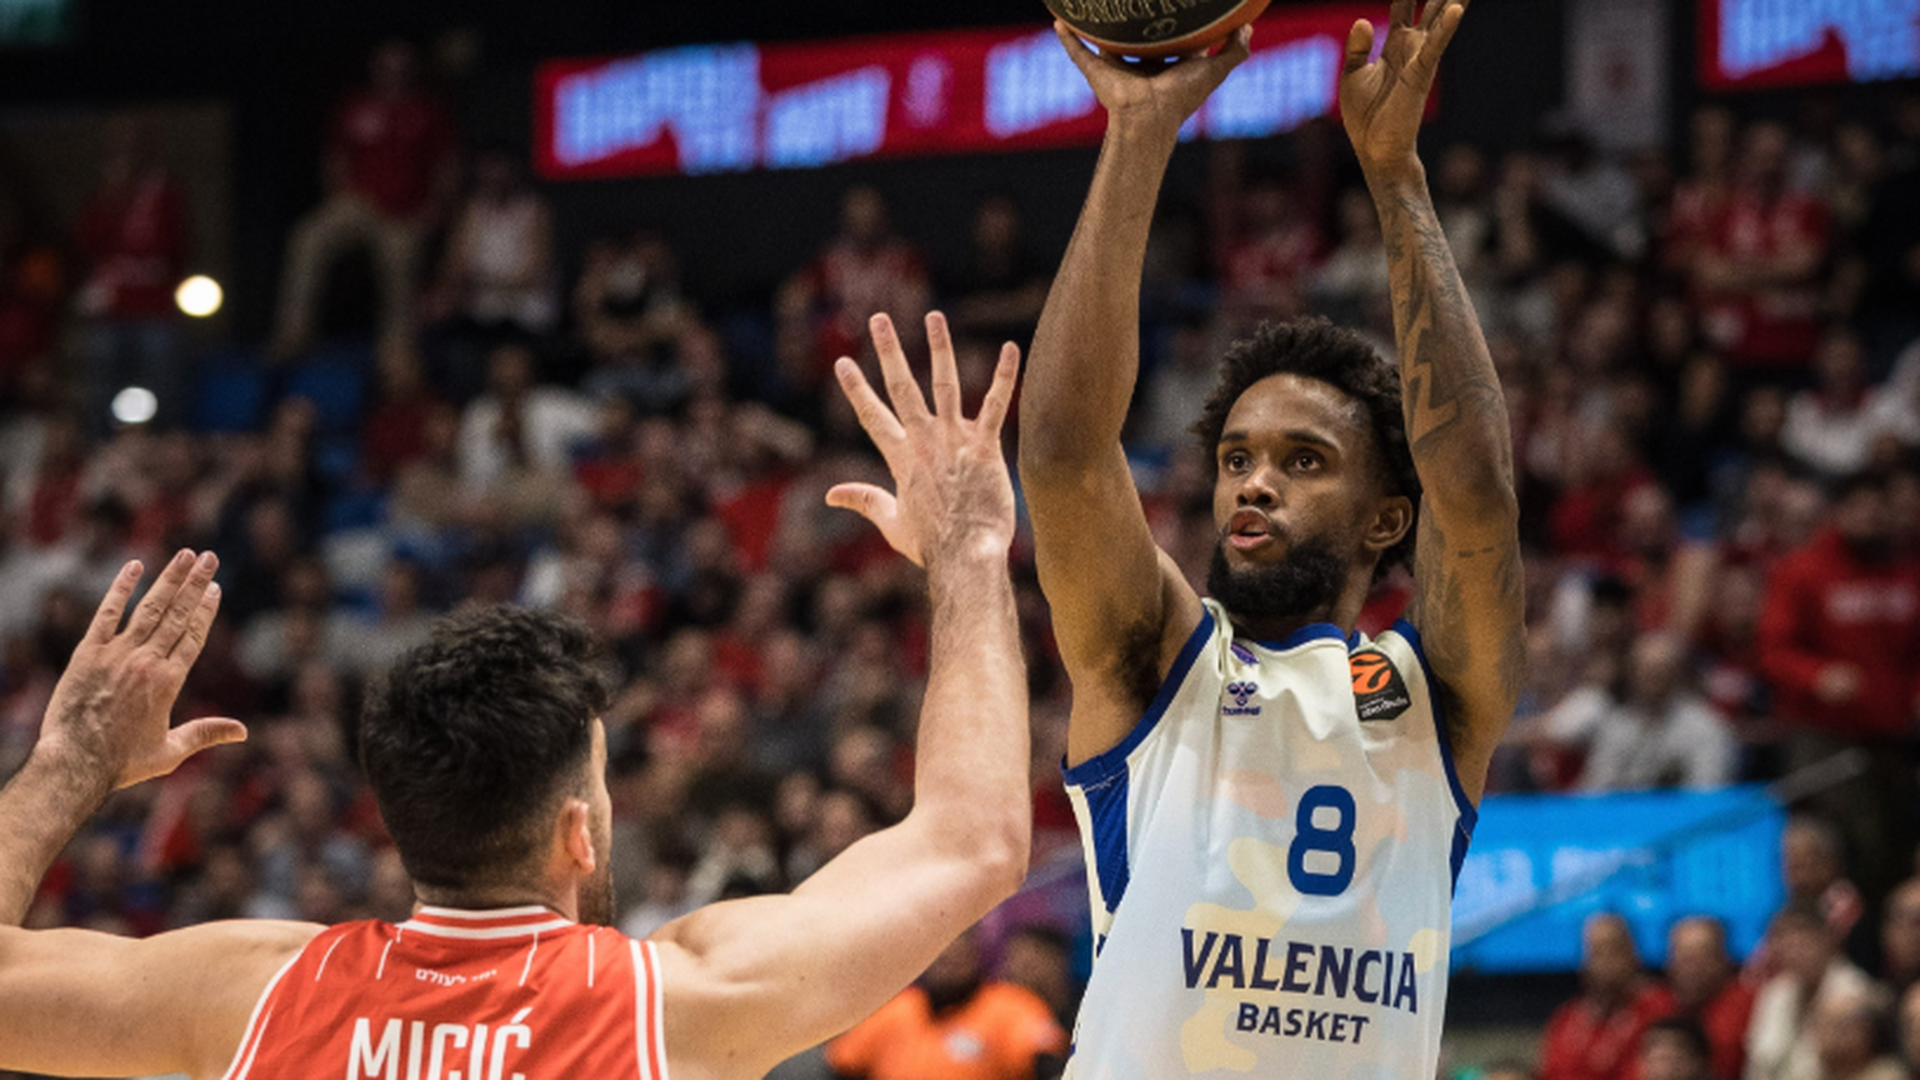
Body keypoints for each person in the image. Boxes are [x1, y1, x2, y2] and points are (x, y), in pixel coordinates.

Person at [0, 311, 1040, 1080]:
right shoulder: (673, 1004)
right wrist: (969, 549)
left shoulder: (252, 990)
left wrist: (68, 766)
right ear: (578, 833)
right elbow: (974, 841)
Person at [1020, 3, 1522, 1076]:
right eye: (1237, 457)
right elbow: (1064, 450)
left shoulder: (1439, 701)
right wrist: (1139, 133)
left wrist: (1395, 179)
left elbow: (1474, 490)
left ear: (1390, 516)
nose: (1251, 485)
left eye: (1304, 461)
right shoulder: (1159, 658)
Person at [824, 928, 1068, 1080]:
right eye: (942, 959)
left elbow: (1050, 1065)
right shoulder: (900, 1007)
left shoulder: (1011, 1006)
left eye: (958, 957)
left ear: (974, 956)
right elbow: (842, 1063)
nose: (949, 962)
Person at [1541, 913, 1675, 1080]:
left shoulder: (1661, 1008)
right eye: (1596, 952)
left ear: (1635, 954)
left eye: (1614, 949)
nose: (1607, 961)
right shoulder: (1566, 1019)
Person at [1664, 916, 1759, 1080]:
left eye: (1700, 956)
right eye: (1682, 956)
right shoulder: (1658, 1007)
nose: (1690, 968)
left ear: (1723, 959)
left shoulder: (1752, 1005)